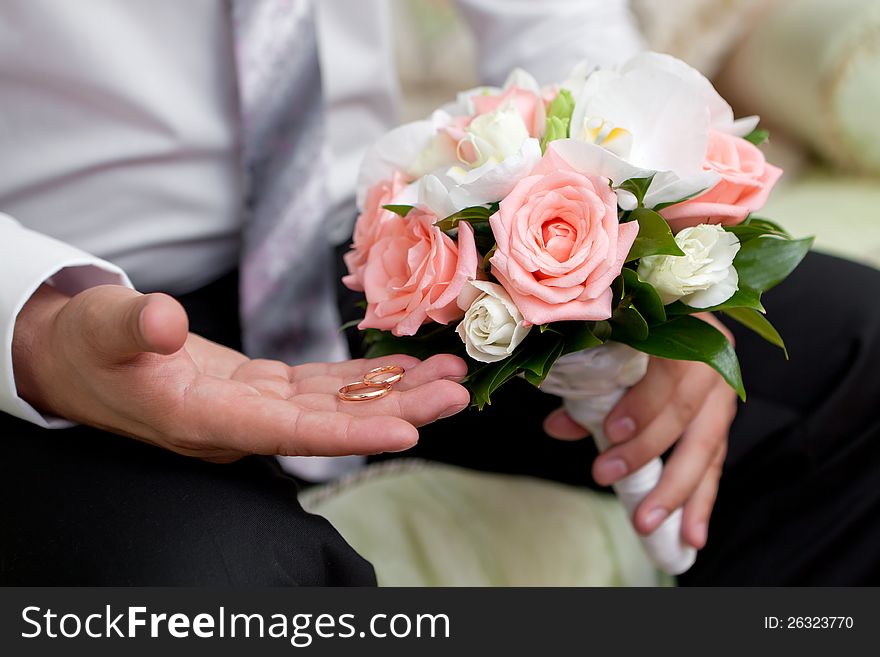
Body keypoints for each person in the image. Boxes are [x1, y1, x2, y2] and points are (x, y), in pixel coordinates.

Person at [2, 0, 878, 586]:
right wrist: (34, 325)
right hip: (71, 303)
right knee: (229, 584)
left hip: (381, 244)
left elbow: (553, 21)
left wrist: (650, 230)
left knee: (860, 361)